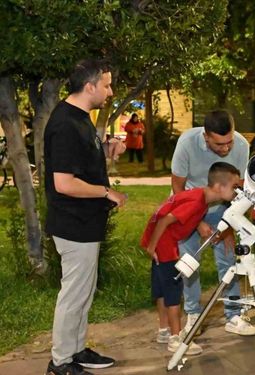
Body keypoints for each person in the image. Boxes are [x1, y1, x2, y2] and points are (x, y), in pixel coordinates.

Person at [44, 59, 127, 375]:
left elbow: (78, 164)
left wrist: (106, 152)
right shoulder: (66, 124)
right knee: (73, 295)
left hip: (84, 224)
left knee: (83, 292)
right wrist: (107, 193)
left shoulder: (79, 118)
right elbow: (64, 183)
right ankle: (61, 361)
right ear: (89, 86)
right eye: (106, 84)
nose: (110, 90)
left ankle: (75, 349)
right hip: (72, 224)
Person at [171, 110, 255, 336]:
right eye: (220, 144)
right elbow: (178, 187)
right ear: (206, 136)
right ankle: (193, 315)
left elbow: (238, 187)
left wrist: (230, 225)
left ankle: (233, 315)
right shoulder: (187, 143)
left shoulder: (240, 145)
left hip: (223, 207)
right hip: (190, 206)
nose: (226, 148)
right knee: (190, 263)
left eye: (229, 141)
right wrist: (197, 221)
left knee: (229, 260)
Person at [141, 162, 241, 355]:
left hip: (162, 241)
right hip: (164, 244)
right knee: (173, 291)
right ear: (220, 187)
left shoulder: (200, 197)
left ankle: (163, 330)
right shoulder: (197, 202)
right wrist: (153, 246)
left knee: (161, 287)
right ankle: (176, 339)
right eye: (234, 187)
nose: (237, 191)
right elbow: (165, 219)